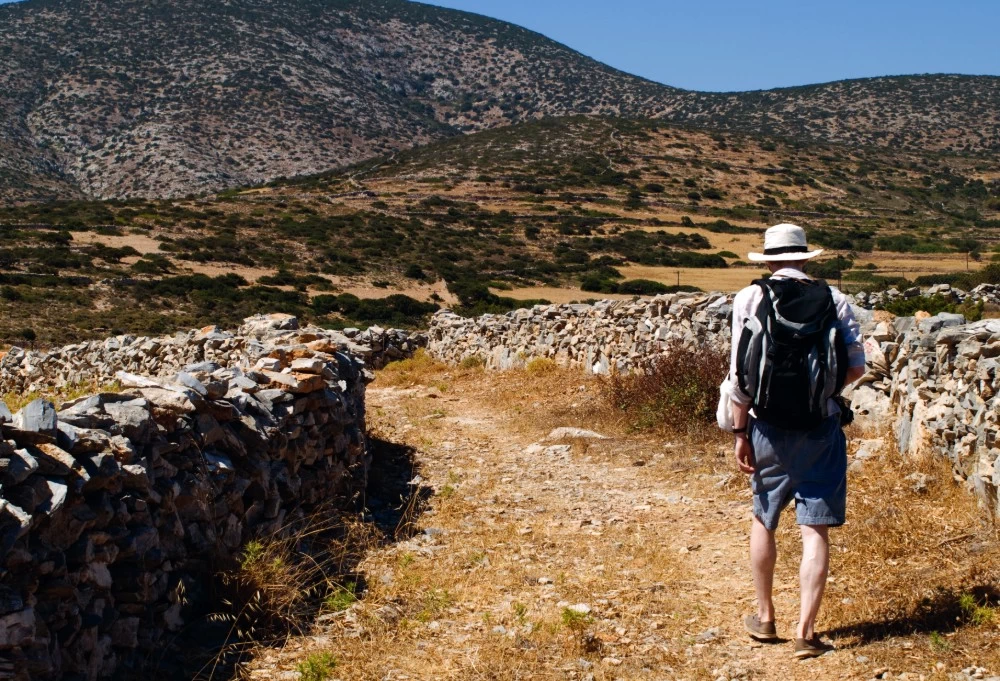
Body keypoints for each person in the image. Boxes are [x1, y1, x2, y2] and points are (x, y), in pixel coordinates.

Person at [727, 223, 866, 659]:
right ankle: (807, 632)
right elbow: (857, 367)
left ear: (768, 260)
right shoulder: (834, 299)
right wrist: (823, 395)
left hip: (766, 426)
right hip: (820, 427)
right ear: (806, 258)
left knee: (764, 517)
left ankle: (766, 617)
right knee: (815, 529)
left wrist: (739, 431)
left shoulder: (750, 298)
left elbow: (739, 376)